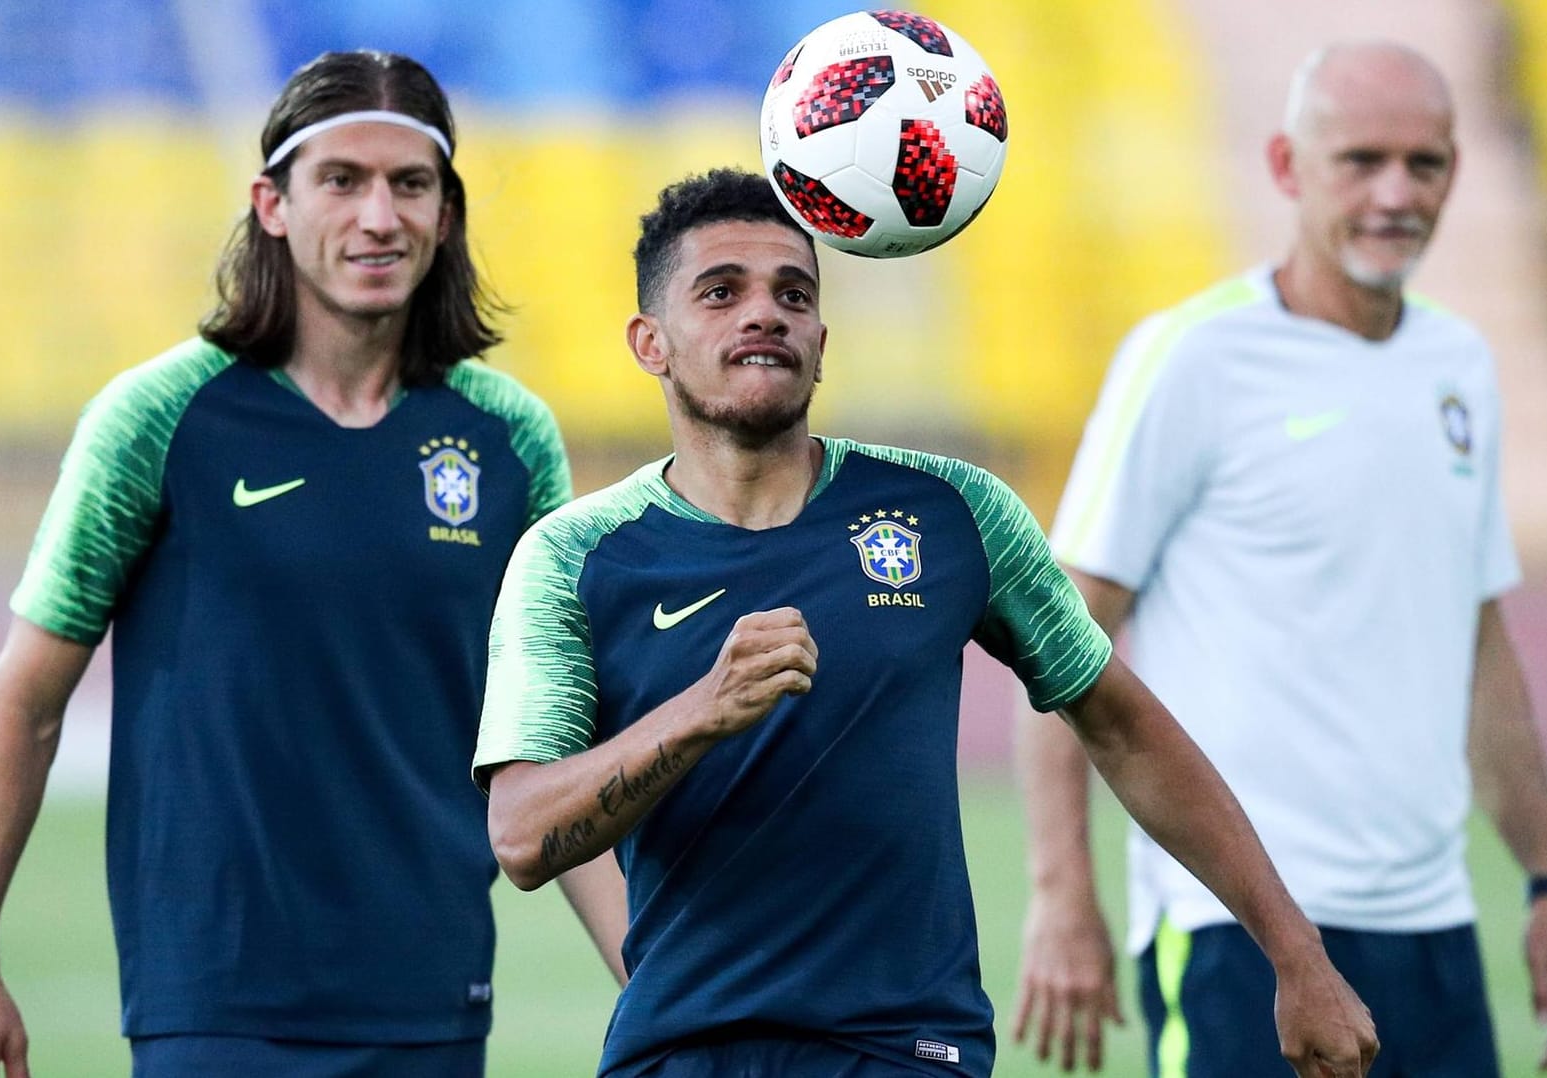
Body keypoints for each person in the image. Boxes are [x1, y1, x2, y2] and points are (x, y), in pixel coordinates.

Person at [470, 166, 1377, 1078]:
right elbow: (522, 837)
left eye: (794, 293)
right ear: (650, 342)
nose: (765, 313)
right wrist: (704, 708)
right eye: (720, 291)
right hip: (677, 1050)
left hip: (903, 1047)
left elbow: (1125, 728)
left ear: (822, 341)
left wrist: (1296, 955)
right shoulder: (574, 556)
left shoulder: (951, 511)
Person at [0, 49, 627, 1078]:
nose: (378, 216)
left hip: (433, 998)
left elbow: (555, 737)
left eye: (410, 184)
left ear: (446, 211)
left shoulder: (508, 436)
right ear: (272, 204)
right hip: (213, 1000)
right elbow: (26, 702)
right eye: (341, 180)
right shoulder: (159, 418)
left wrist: (654, 976)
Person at [1012, 40, 1547, 1077]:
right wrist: (1061, 895)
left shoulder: (1460, 367)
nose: (1396, 193)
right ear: (1288, 166)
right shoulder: (1190, 359)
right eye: (1361, 161)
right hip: (1240, 935)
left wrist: (1539, 876)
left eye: (1424, 163)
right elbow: (1057, 636)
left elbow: (1480, 650)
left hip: (1433, 922)